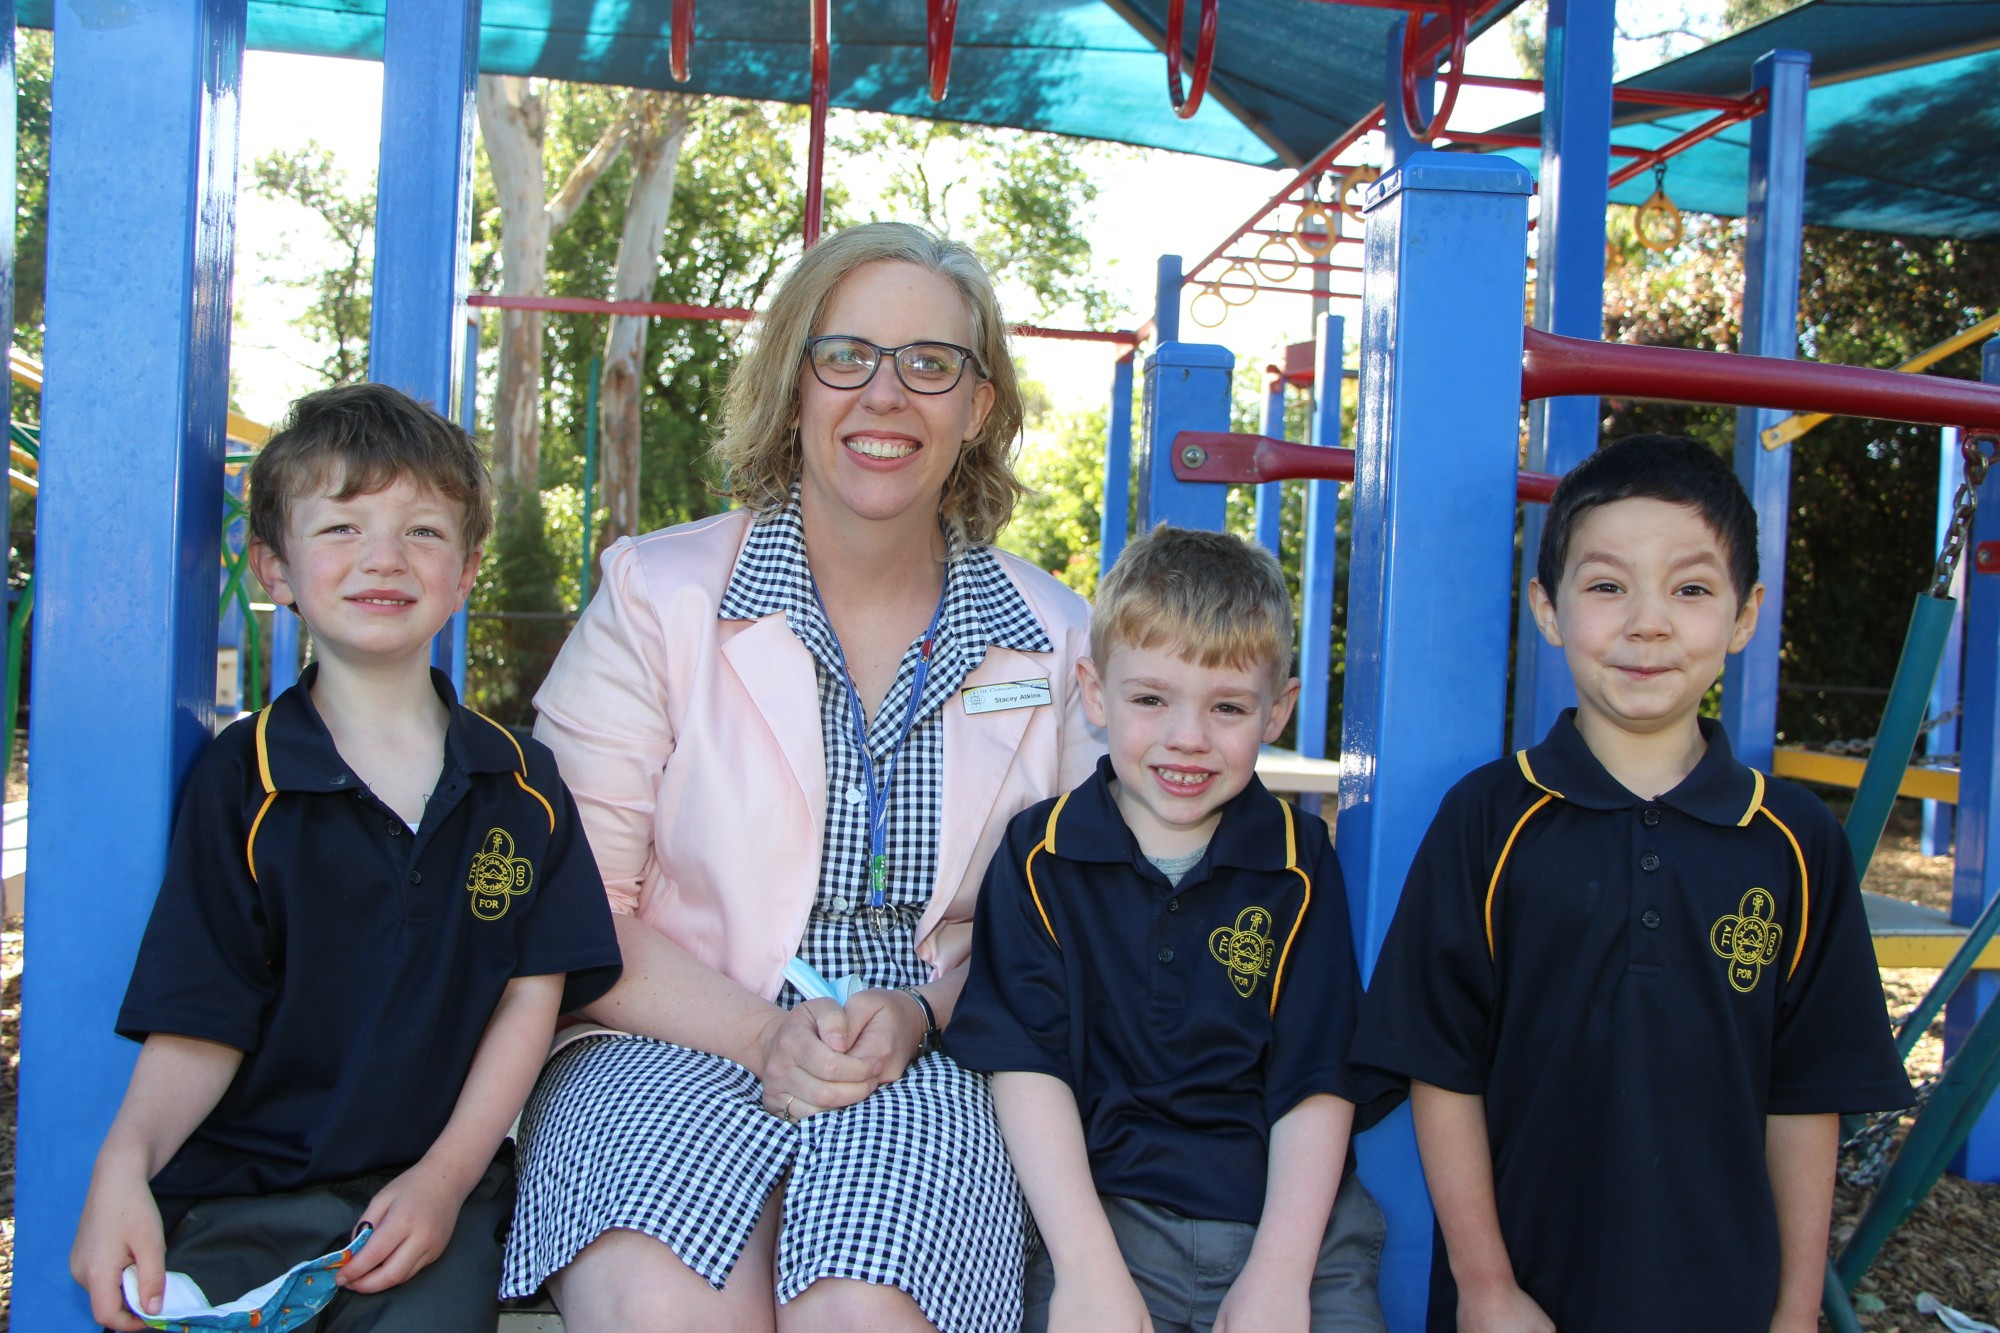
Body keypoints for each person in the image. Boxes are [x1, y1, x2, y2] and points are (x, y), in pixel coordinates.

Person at [501, 221, 1102, 1333]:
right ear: (793, 383)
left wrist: (922, 1012)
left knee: (861, 1312)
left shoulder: (1054, 641)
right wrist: (759, 1035)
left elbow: (1075, 923)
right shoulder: (658, 597)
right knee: (671, 1310)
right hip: (661, 1028)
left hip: (930, 1054)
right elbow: (573, 906)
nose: (886, 394)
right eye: (846, 356)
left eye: (930, 364)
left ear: (975, 409)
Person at [68, 382, 624, 1331]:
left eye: (422, 531)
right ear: (275, 569)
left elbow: (531, 996)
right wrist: (122, 1167)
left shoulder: (522, 783)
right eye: (340, 528)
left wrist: (447, 1178)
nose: (383, 557)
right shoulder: (243, 783)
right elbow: (201, 1017)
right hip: (244, 1194)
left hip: (432, 1197)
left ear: (467, 569)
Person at [1352, 435, 1914, 1332]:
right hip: (1526, 1299)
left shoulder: (1795, 840)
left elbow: (1806, 1094)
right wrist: (1488, 1288)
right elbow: (1440, 1069)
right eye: (1608, 585)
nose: (1648, 622)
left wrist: (1797, 1309)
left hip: (1727, 1301)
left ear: (1744, 614)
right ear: (1548, 607)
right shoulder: (1491, 819)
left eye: (1690, 589)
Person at [947, 525, 1399, 1333]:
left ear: (1277, 709)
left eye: (1227, 706)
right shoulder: (1041, 856)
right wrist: (1087, 1272)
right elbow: (1026, 1065)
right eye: (1151, 699)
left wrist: (1279, 1274)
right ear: (1092, 692)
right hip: (1107, 1224)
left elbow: (1317, 1076)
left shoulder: (1298, 864)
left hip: (1291, 1228)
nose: (1187, 738)